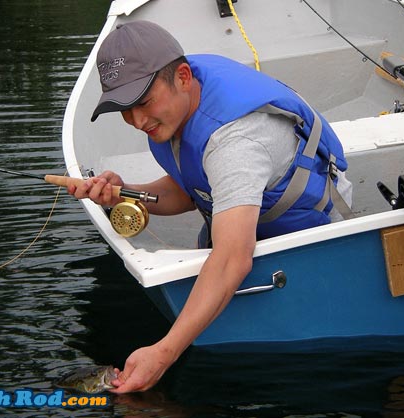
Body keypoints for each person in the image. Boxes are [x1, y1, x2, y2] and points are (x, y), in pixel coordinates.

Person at [68, 20, 353, 393]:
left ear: (183, 76)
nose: (137, 121)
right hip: (244, 218)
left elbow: (233, 258)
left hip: (309, 242)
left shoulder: (235, 143)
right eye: (124, 108)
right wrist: (126, 194)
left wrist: (164, 352)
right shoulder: (181, 104)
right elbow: (194, 189)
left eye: (143, 102)